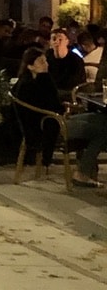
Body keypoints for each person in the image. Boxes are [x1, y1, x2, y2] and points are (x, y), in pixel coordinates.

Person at [13, 46, 107, 187]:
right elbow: (48, 107)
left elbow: (54, 104)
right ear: (30, 66)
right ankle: (82, 173)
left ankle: (87, 168)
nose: (47, 64)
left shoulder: (40, 79)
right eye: (41, 62)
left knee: (101, 118)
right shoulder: (29, 86)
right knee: (102, 131)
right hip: (51, 125)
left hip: (56, 119)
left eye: (46, 60)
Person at [46, 27, 86, 94]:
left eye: (60, 39)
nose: (57, 42)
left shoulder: (75, 60)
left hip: (69, 93)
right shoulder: (46, 57)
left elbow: (76, 82)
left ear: (67, 41)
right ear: (50, 42)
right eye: (54, 39)